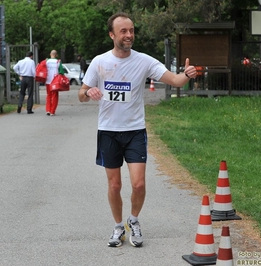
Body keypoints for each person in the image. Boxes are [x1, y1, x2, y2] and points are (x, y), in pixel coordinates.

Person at [78, 12, 197, 248]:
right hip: (108, 131)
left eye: (131, 30)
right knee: (114, 185)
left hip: (134, 131)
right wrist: (88, 93)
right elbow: (82, 94)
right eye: (123, 31)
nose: (129, 35)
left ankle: (134, 220)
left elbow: (174, 80)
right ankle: (118, 226)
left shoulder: (144, 61)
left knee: (139, 184)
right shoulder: (100, 62)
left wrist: (186, 75)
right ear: (112, 34)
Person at [45, 50, 64, 116]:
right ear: (56, 55)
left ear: (50, 54)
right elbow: (61, 72)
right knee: (55, 96)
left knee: (48, 95)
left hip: (48, 81)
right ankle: (52, 111)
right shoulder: (58, 61)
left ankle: (48, 110)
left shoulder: (46, 61)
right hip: (55, 82)